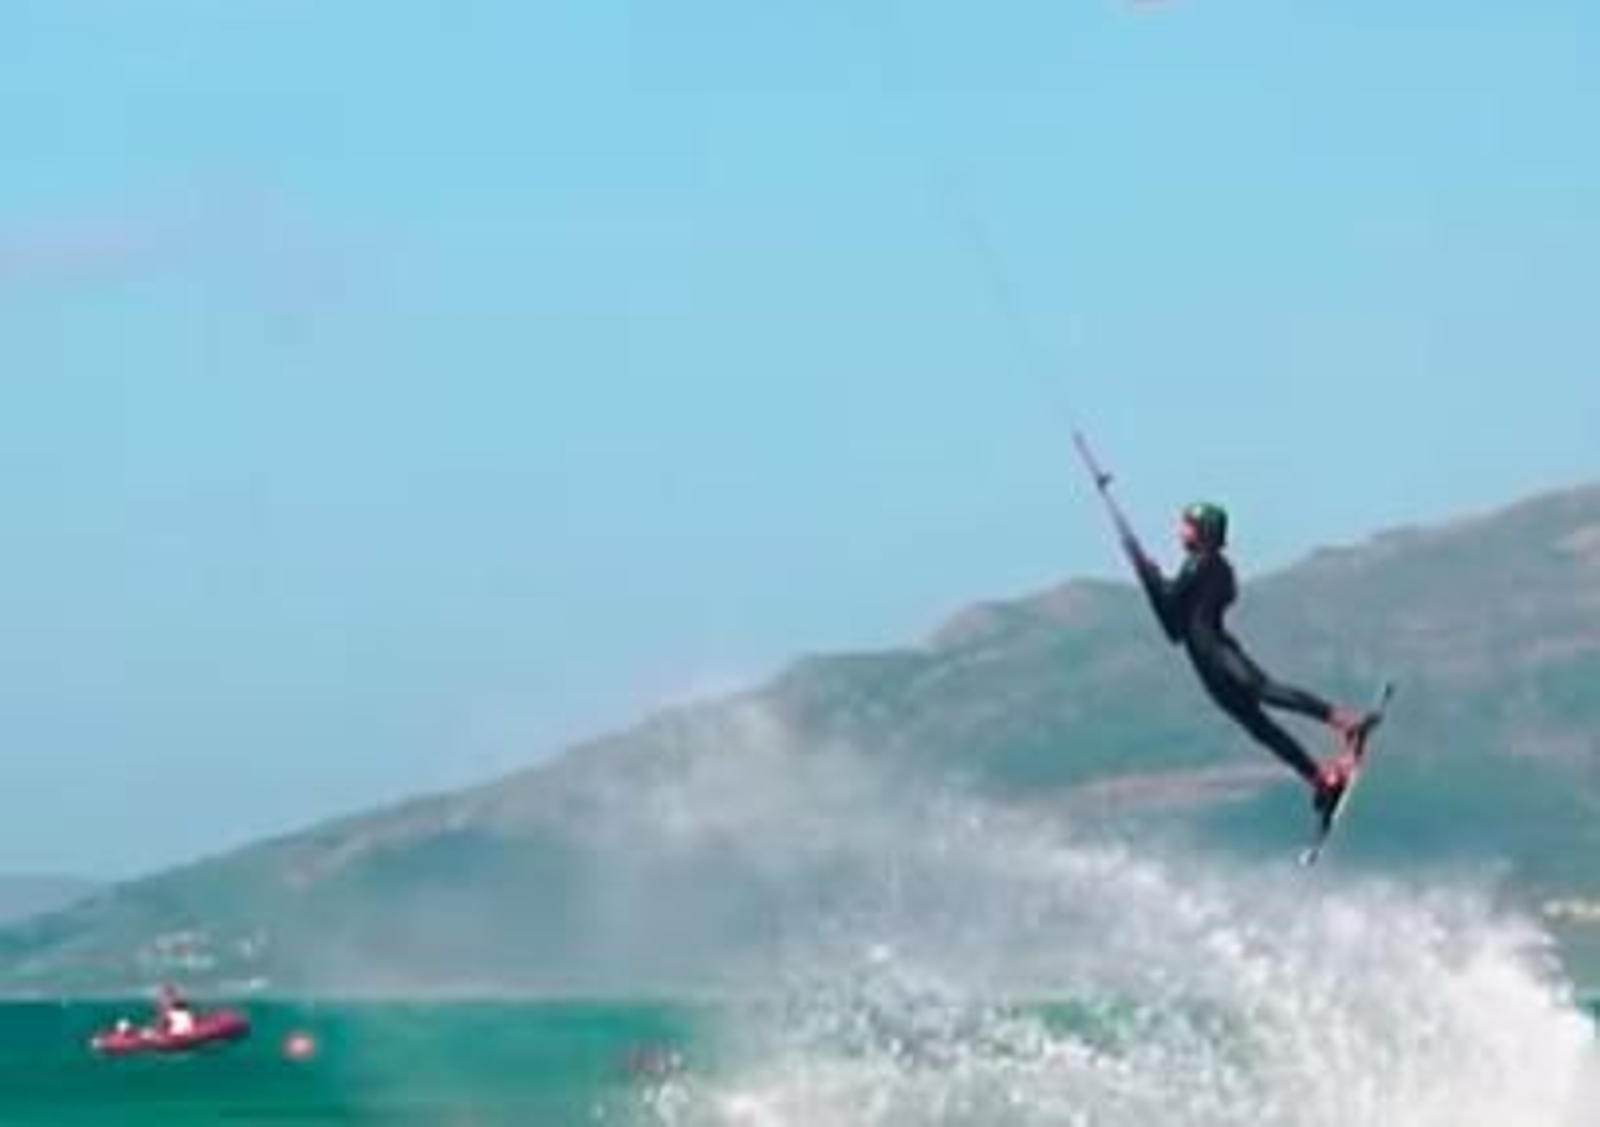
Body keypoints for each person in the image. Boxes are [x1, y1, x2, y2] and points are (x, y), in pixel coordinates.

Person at [1130, 500, 1373, 814]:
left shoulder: (1201, 564)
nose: (1179, 531)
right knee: (1260, 727)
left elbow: (1171, 610)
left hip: (1219, 658)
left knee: (1267, 693)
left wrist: (1148, 575)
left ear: (1203, 532)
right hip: (1210, 665)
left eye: (1186, 525)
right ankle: (1321, 780)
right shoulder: (1210, 566)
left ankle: (1346, 723)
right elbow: (1175, 626)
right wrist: (1152, 578)